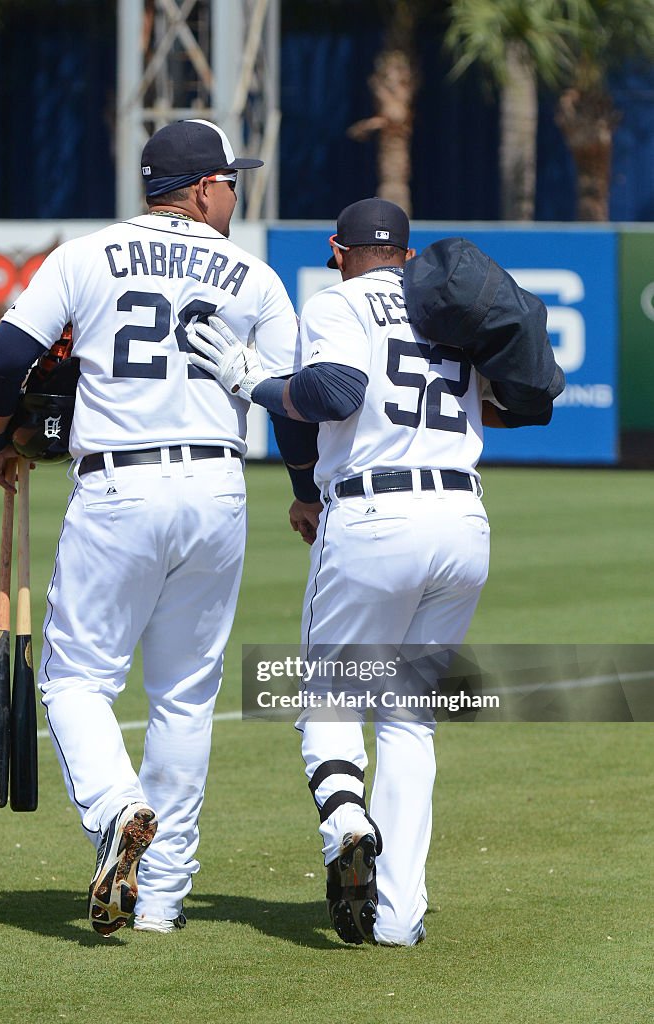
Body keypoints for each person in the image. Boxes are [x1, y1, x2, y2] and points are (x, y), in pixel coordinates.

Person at [186, 197, 563, 947]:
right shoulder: (449, 309)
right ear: (406, 251)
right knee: (408, 719)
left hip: (375, 515)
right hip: (462, 523)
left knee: (325, 696)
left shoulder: (339, 301)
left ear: (340, 248)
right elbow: (526, 403)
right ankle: (398, 917)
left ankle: (347, 823)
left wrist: (248, 378)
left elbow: (334, 394)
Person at [0, 119, 299, 936]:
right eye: (231, 178)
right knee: (185, 698)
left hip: (119, 485)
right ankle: (160, 901)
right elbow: (294, 402)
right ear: (198, 189)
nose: (237, 190)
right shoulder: (254, 275)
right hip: (218, 487)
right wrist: (304, 490)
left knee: (77, 680)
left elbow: (2, 364)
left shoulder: (87, 254)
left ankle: (118, 808)